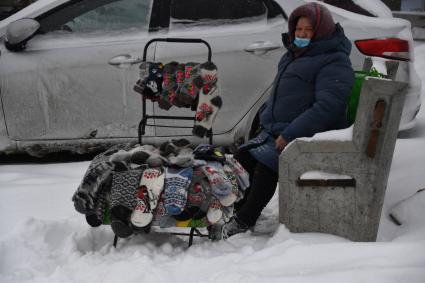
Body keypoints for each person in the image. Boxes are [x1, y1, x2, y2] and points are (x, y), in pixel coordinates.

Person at [211, 2, 355, 240]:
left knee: (267, 165)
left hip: (312, 135)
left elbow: (327, 108)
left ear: (321, 31)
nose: (301, 35)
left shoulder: (334, 61)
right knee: (241, 161)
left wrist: (289, 134)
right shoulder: (294, 56)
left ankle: (244, 219)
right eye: (298, 29)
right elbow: (280, 96)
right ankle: (233, 211)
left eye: (308, 30)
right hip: (278, 131)